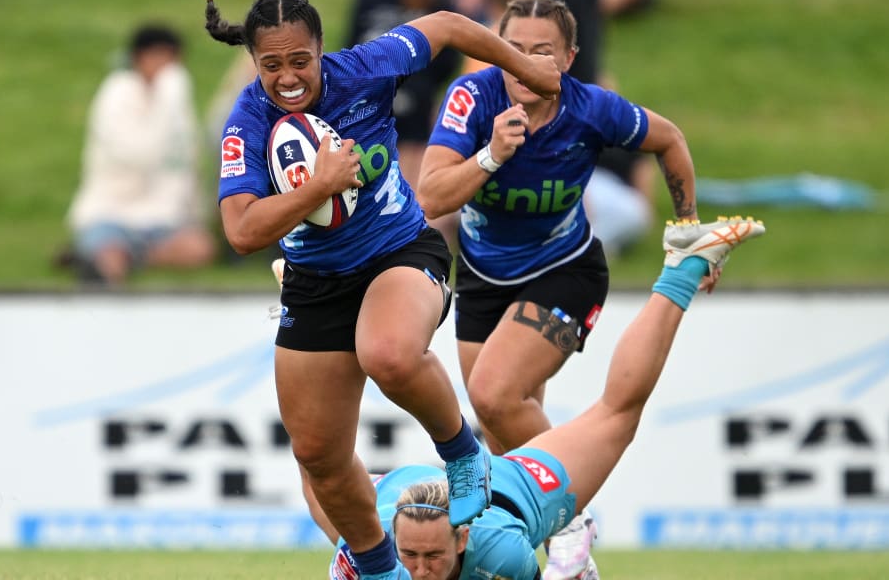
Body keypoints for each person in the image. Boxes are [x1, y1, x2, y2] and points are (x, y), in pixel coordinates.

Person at [182, 0, 560, 580]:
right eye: (270, 65)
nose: (288, 78)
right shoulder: (248, 121)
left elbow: (444, 25)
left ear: (321, 49)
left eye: (299, 60)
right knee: (320, 459)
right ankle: (380, 570)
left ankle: (465, 455)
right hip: (313, 285)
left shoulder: (367, 67)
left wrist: (526, 68)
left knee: (387, 353)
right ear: (253, 62)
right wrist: (320, 185)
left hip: (400, 253)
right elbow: (243, 231)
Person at [416, 0, 703, 577]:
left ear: (568, 59)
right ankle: (564, 559)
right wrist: (491, 156)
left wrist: (688, 227)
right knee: (501, 437)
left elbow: (669, 139)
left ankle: (573, 520)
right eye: (511, 50)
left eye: (540, 52)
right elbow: (430, 197)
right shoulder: (472, 100)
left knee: (495, 395)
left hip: (564, 270)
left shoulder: (593, 110)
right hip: (481, 275)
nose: (524, 64)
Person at [318, 216, 766, 579]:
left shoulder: (503, 555)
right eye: (411, 555)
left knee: (618, 415)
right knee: (317, 460)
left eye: (433, 558)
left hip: (515, 490)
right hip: (383, 498)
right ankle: (310, 298)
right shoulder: (367, 556)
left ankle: (684, 266)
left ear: (461, 541)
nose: (420, 572)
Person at [65, 23, 217, 286]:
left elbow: (186, 160)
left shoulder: (175, 95)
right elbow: (142, 154)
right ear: (138, 58)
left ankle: (126, 257)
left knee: (200, 249)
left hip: (164, 220)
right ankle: (104, 259)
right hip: (112, 213)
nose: (167, 66)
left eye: (173, 58)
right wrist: (169, 97)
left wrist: (195, 214)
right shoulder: (117, 94)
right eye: (159, 56)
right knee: (109, 257)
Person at [346, 0, 461, 244]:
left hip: (420, 115)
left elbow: (451, 60)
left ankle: (426, 250)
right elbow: (350, 49)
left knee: (422, 192)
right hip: (372, 111)